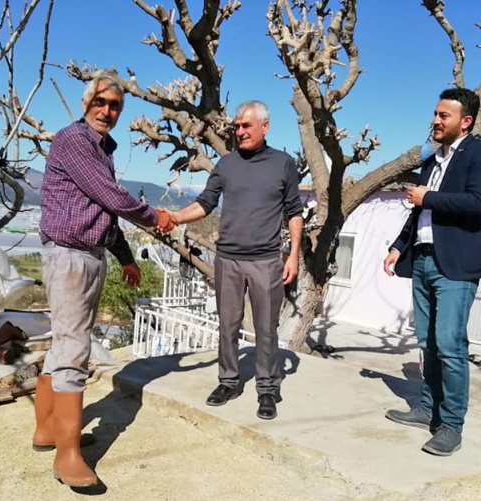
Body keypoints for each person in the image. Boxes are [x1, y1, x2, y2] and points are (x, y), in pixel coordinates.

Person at [33, 72, 176, 487]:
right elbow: (111, 196)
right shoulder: (74, 140)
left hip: (86, 256)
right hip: (69, 257)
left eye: (115, 106)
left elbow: (102, 214)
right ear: (85, 104)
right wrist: (155, 216)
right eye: (100, 102)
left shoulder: (102, 148)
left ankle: (47, 431)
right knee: (74, 350)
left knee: (64, 344)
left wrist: (127, 259)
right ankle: (68, 457)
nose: (107, 111)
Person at [383, 88, 481, 456]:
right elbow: (419, 213)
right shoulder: (432, 162)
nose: (435, 120)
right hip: (422, 258)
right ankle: (427, 409)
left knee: (450, 345)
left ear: (465, 122)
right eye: (435, 113)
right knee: (428, 343)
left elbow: (478, 203)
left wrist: (428, 197)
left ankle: (451, 425)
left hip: (455, 265)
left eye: (443, 115)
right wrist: (398, 246)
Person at [172, 100, 303, 421]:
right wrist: (174, 217)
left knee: (266, 329)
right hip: (228, 260)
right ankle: (228, 382)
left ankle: (267, 389)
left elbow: (294, 212)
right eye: (237, 126)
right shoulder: (226, 164)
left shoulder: (283, 163)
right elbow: (205, 203)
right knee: (228, 324)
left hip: (266, 261)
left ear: (264, 127)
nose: (240, 131)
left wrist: (294, 255)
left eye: (246, 126)